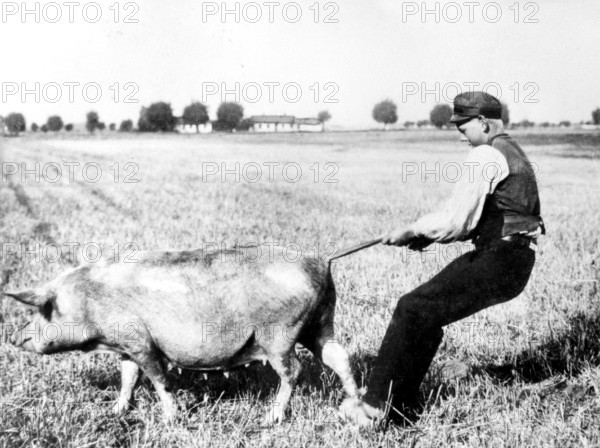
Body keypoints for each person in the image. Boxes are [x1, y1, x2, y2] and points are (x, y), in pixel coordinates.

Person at [339, 91, 545, 427]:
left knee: (412, 308)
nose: (459, 134)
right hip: (512, 258)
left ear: (482, 122)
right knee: (422, 312)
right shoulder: (511, 149)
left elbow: (456, 221)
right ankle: (398, 405)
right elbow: (480, 221)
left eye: (463, 126)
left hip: (501, 259)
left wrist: (412, 229)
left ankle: (374, 408)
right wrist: (421, 237)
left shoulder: (485, 155)